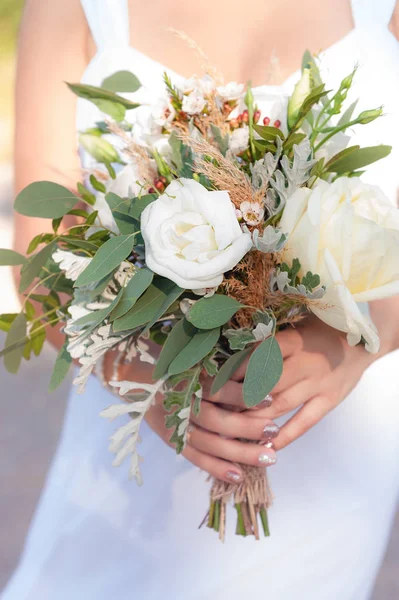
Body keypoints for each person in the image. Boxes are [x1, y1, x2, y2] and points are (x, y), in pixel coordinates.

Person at [2, 0, 399, 598]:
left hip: (333, 444)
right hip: (136, 442)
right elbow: (41, 259)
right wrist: (148, 384)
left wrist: (359, 340)